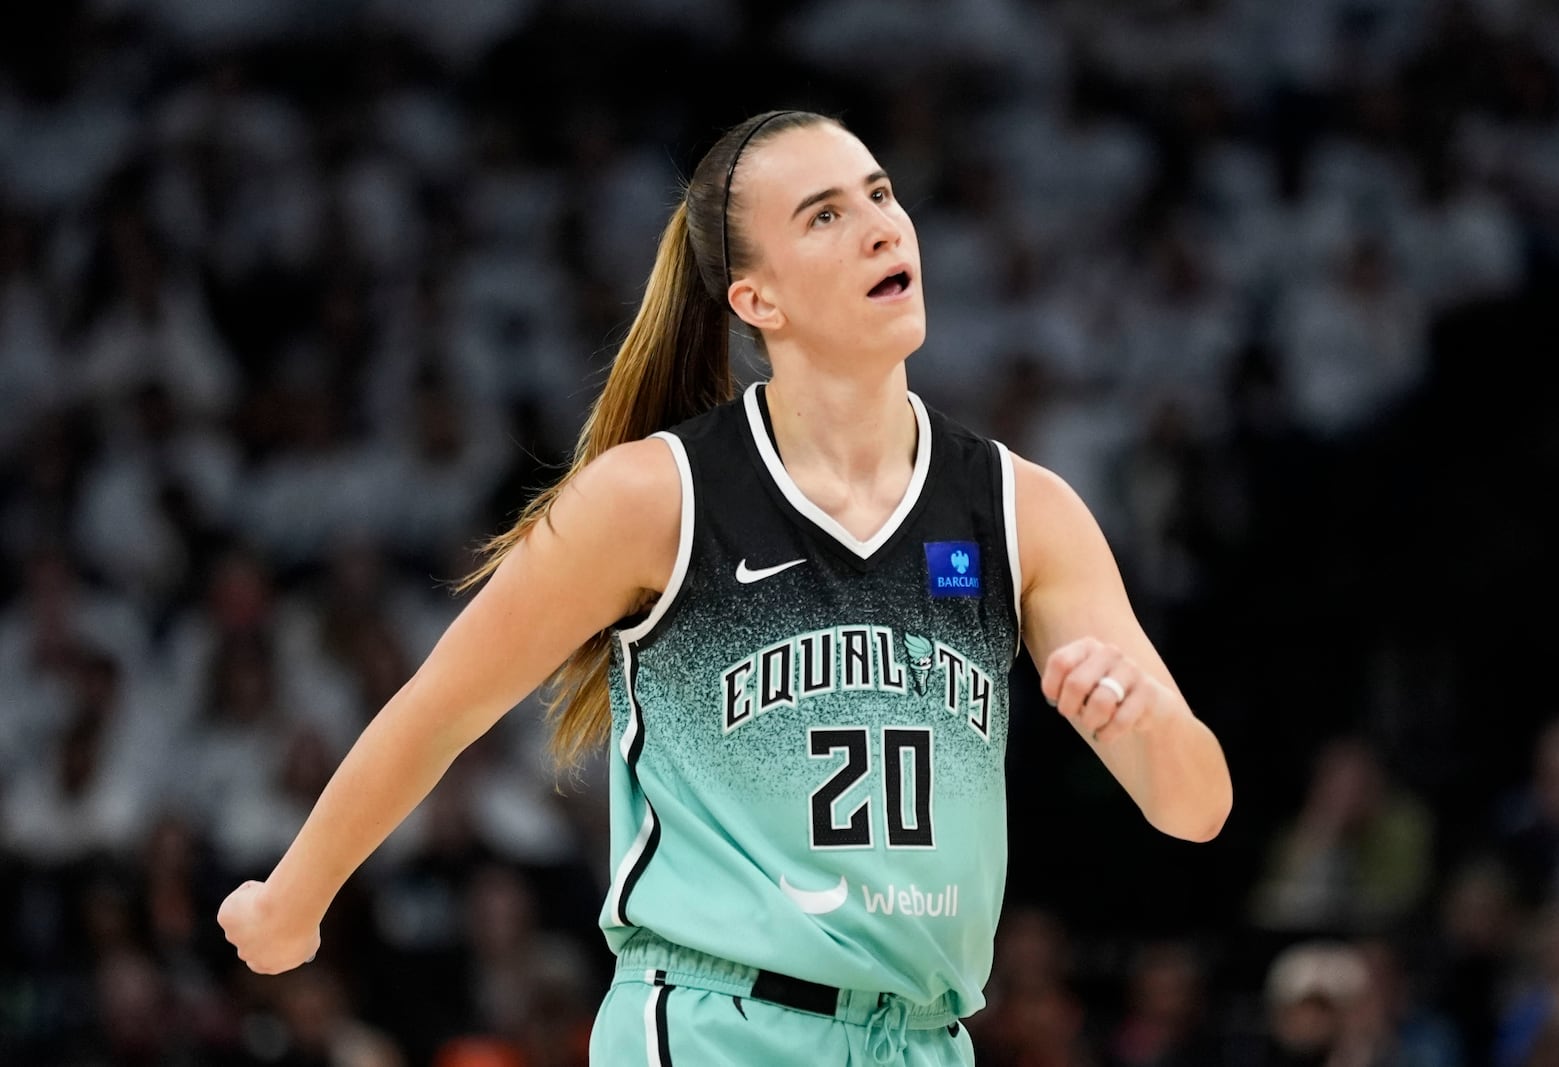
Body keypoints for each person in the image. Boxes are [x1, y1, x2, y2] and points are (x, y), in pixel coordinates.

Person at [217, 108, 1233, 1066]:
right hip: (716, 1026)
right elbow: (441, 707)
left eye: (881, 195)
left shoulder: (1022, 506)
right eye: (827, 215)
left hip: (924, 1036)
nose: (880, 226)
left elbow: (1192, 807)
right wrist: (289, 900)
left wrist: (1145, 717)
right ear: (756, 299)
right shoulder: (655, 496)